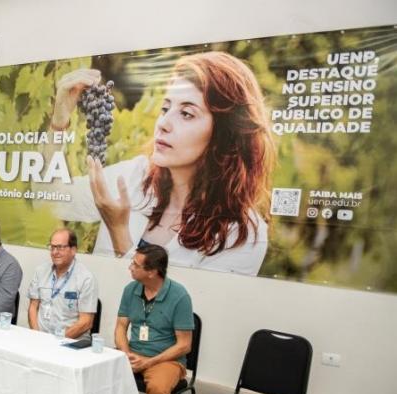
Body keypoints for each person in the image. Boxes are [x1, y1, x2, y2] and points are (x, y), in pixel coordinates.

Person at [44, 52, 274, 275]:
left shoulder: (242, 236)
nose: (163, 123)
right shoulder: (136, 176)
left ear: (224, 133)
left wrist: (118, 231)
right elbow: (49, 199)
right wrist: (58, 124)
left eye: (186, 113)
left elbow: (176, 301)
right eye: (165, 108)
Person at [116, 244, 194, 394]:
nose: (130, 267)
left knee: (159, 390)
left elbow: (184, 345)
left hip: (166, 359)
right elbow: (121, 327)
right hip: (133, 353)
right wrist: (125, 353)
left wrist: (148, 362)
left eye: (135, 265)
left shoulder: (179, 296)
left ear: (152, 272)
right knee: (101, 371)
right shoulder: (131, 290)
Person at [27, 228, 98, 338]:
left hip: (70, 342)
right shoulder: (40, 271)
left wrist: (57, 341)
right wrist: (37, 336)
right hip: (40, 338)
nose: (54, 252)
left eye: (60, 247)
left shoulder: (86, 279)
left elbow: (86, 322)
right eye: (52, 247)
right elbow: (33, 307)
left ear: (73, 250)